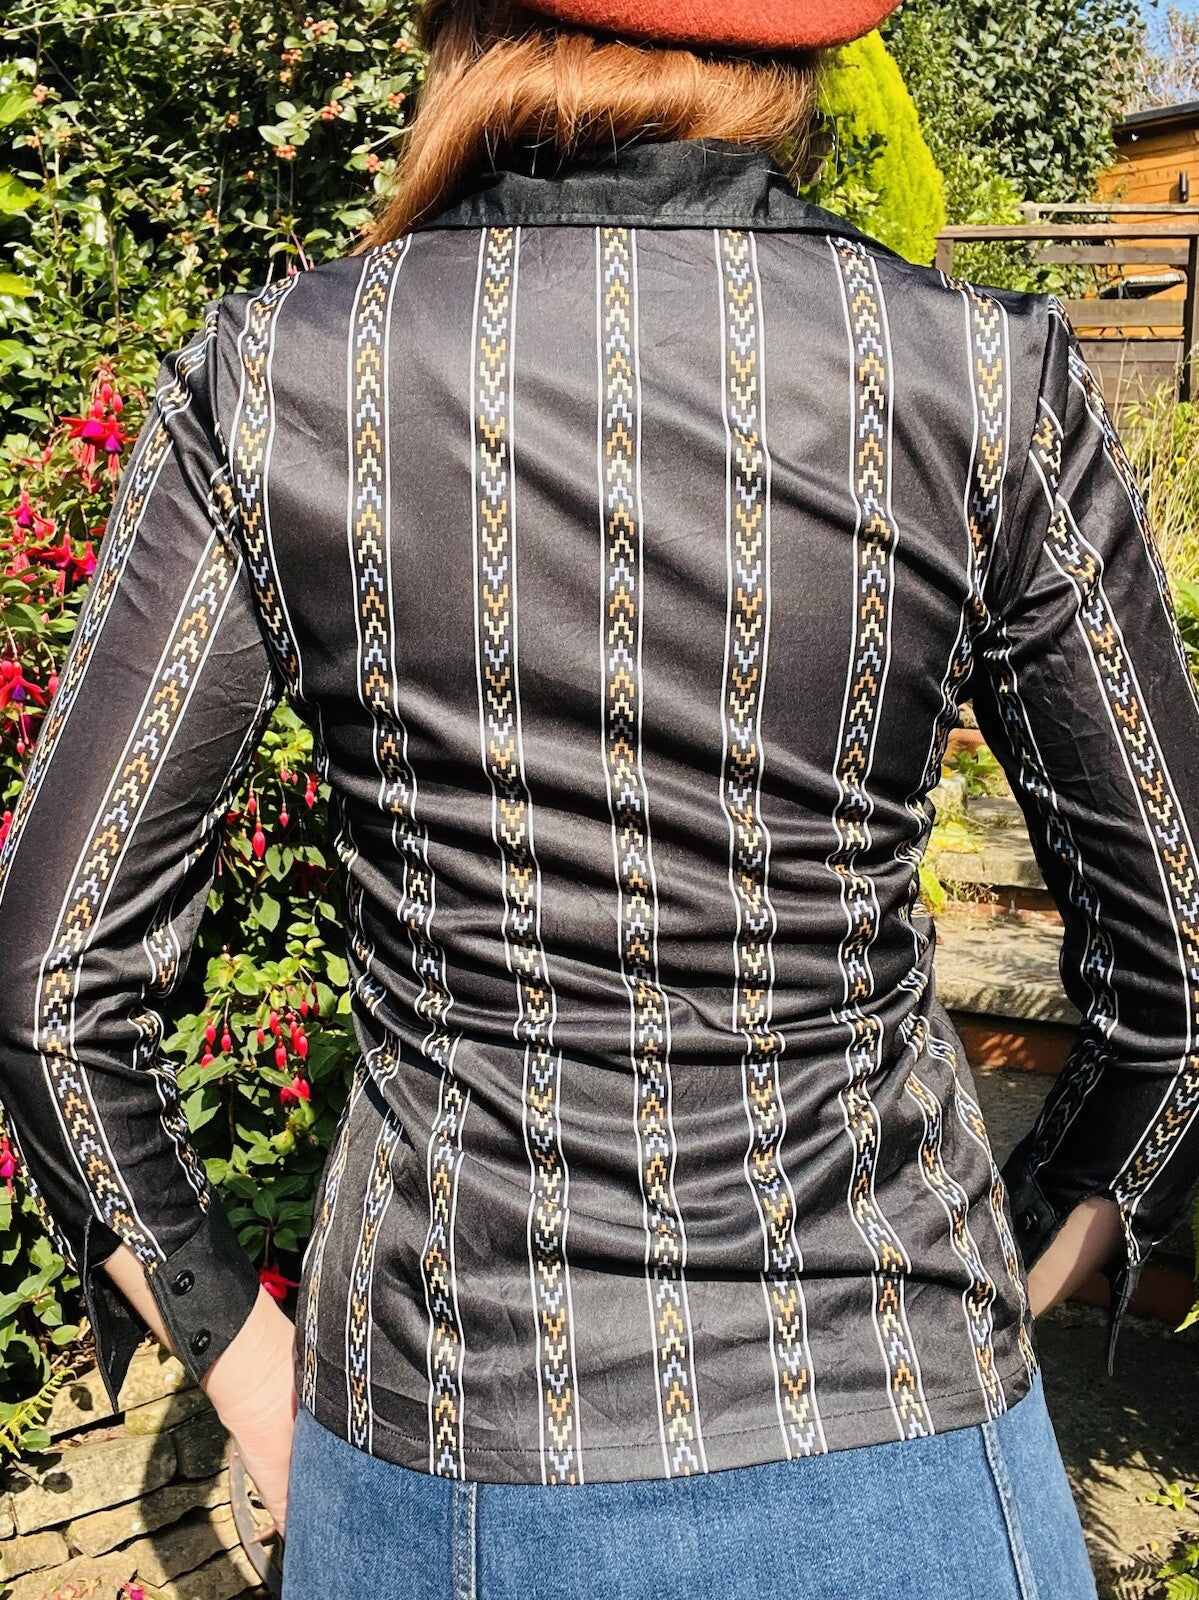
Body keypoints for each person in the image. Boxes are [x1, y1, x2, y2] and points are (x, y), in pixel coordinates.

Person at [0, 0, 1195, 1594]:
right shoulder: (981, 377)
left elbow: (52, 983)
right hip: (912, 1429)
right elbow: (1182, 969)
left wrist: (254, 1375)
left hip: (450, 1438)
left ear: (463, 29)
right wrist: (1001, 1275)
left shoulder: (289, 376)